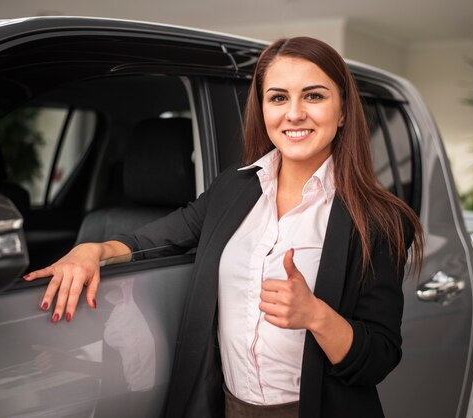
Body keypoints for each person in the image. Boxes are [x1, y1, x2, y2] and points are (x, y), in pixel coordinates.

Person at [24, 36, 423, 418]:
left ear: (343, 113)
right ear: (263, 109)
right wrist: (92, 250)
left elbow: (380, 357)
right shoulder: (234, 187)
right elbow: (158, 237)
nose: (294, 113)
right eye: (278, 97)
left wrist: (315, 314)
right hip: (231, 407)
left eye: (314, 96)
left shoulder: (379, 219)